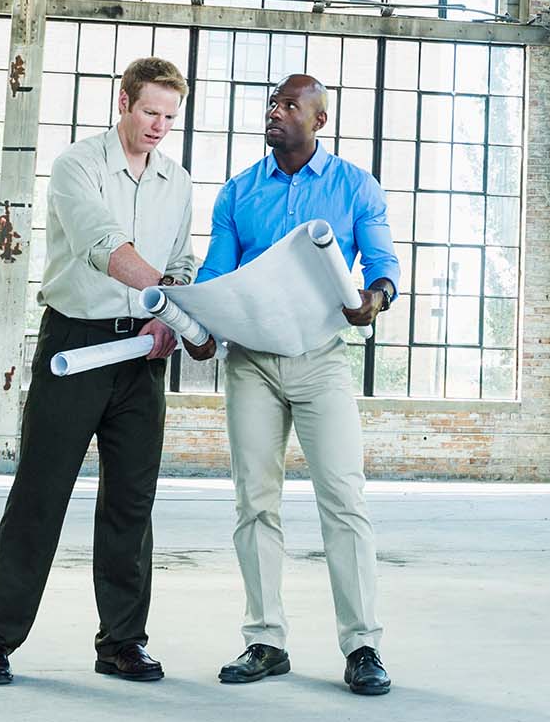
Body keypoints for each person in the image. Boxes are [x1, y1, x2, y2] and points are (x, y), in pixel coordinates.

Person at [0, 57, 197, 686]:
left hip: (143, 355)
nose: (158, 126)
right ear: (122, 101)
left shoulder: (176, 182)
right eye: (150, 111)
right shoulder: (77, 166)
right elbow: (107, 250)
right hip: (77, 346)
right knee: (41, 496)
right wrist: (172, 304)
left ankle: (122, 642)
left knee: (131, 503)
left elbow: (180, 258)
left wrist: (168, 315)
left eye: (170, 116)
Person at [196, 73, 399, 696]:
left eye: (290, 105)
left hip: (321, 358)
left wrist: (375, 298)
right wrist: (197, 317)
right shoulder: (238, 193)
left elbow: (383, 265)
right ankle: (265, 641)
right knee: (255, 502)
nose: (275, 112)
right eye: (272, 103)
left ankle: (362, 645)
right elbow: (215, 272)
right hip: (251, 362)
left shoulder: (354, 186)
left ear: (319, 120)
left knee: (343, 498)